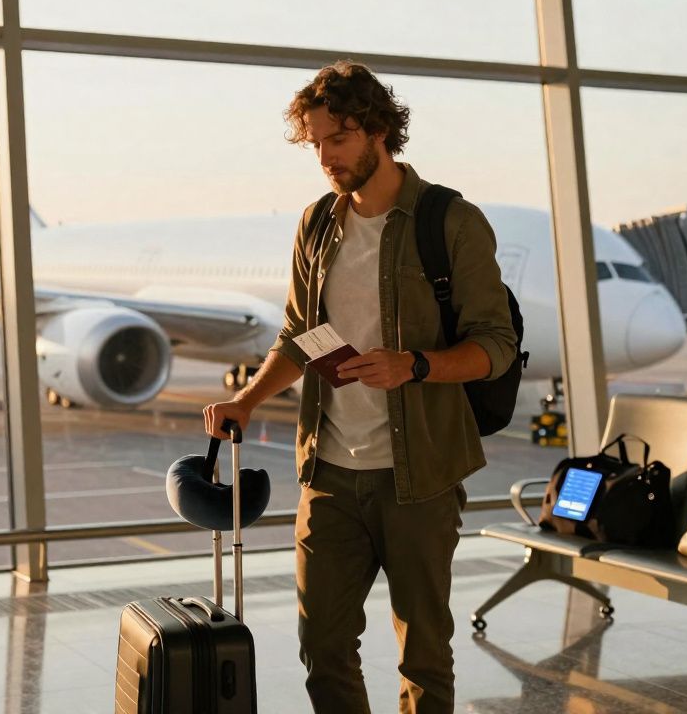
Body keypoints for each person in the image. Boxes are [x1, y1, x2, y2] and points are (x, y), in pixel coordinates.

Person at [203, 61, 518, 713]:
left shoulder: (449, 222)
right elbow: (298, 336)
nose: (325, 156)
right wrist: (247, 400)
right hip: (329, 474)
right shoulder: (317, 224)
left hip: (421, 477)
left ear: (378, 130)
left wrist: (416, 365)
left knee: (424, 654)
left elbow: (496, 345)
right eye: (316, 142)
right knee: (322, 649)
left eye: (338, 138)